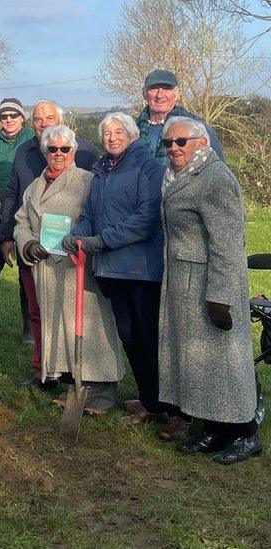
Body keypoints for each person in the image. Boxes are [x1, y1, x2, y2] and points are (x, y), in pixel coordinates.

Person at [63, 112, 190, 439]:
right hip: (110, 269)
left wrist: (102, 241)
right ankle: (151, 402)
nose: (112, 137)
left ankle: (177, 412)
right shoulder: (102, 170)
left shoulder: (149, 168)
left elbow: (145, 220)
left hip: (140, 270)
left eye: (119, 132)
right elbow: (90, 214)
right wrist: (77, 233)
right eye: (107, 133)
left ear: (133, 136)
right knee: (131, 339)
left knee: (153, 340)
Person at [157, 116, 260, 464]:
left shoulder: (215, 179)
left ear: (202, 142)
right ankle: (215, 428)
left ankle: (246, 434)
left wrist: (220, 295)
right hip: (184, 283)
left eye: (181, 141)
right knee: (200, 363)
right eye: (168, 143)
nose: (173, 148)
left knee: (227, 362)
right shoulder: (177, 176)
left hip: (212, 285)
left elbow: (228, 243)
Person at [13, 125, 125, 412]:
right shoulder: (35, 187)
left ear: (74, 151)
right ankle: (69, 381)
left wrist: (85, 243)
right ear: (45, 152)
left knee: (92, 328)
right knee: (58, 327)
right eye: (53, 149)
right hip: (47, 270)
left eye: (65, 149)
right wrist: (26, 244)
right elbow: (21, 221)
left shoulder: (88, 181)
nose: (59, 154)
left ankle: (102, 390)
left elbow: (102, 218)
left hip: (80, 270)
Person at [0, 100, 99, 390]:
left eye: (49, 117)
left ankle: (77, 374)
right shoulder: (24, 155)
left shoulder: (87, 155)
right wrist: (14, 237)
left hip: (71, 259)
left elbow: (94, 206)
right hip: (37, 253)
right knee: (38, 312)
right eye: (38, 119)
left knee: (72, 315)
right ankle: (45, 370)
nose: (43, 123)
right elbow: (14, 198)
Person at [0, 98, 34, 340]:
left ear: (22, 118)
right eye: (4, 116)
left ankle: (30, 328)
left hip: (26, 214)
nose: (9, 120)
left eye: (14, 115)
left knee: (27, 276)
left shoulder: (32, 141)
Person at [136, 69, 224, 167]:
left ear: (177, 94)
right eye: (154, 88)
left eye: (166, 89)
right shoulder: (130, 130)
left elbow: (216, 168)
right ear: (145, 93)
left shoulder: (197, 127)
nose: (159, 95)